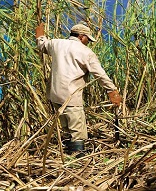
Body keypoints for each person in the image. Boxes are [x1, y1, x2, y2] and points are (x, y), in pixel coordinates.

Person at [35, 22, 122, 154]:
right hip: (71, 96)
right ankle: (77, 160)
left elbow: (42, 45)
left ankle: (67, 155)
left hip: (55, 95)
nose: (88, 42)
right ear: (81, 37)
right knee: (77, 132)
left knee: (66, 128)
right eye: (88, 39)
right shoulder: (86, 52)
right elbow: (100, 74)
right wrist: (112, 90)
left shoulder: (56, 44)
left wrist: (40, 35)